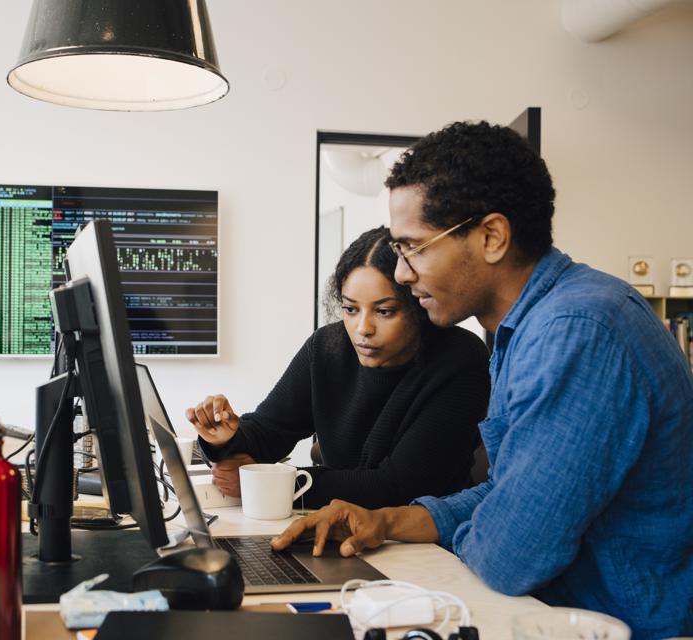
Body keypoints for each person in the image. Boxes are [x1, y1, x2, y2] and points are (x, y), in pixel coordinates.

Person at [270, 121, 693, 639]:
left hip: (619, 625)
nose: (401, 273)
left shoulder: (576, 333)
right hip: (555, 611)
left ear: (491, 236)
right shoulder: (523, 330)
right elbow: (506, 492)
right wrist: (386, 520)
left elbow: (512, 555)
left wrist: (488, 525)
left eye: (414, 248)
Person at [186, 226, 490, 510]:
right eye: (350, 309)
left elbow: (400, 486)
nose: (362, 329)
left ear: (417, 306)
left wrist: (274, 485)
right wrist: (224, 439)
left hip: (424, 546)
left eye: (384, 311)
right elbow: (270, 429)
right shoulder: (328, 347)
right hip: (340, 525)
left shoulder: (460, 359)